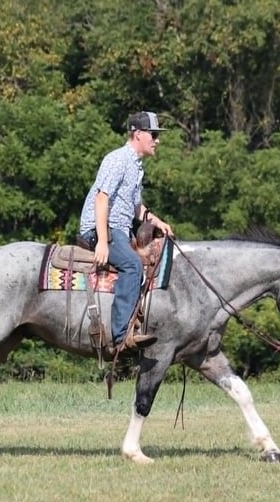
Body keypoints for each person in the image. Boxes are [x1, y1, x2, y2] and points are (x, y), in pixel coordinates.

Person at [79, 111, 174, 350]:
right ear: (138, 134)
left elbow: (136, 207)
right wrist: (102, 241)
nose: (157, 140)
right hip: (101, 229)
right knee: (132, 265)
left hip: (119, 230)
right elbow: (102, 198)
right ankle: (121, 337)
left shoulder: (136, 166)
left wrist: (158, 222)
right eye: (153, 135)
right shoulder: (118, 159)